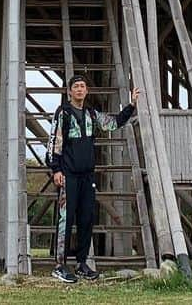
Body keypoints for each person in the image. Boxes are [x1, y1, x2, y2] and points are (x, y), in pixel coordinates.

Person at [46, 74, 141, 283]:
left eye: (83, 86)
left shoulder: (90, 114)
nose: (80, 89)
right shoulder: (63, 113)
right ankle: (59, 265)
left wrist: (131, 105)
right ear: (70, 91)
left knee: (86, 220)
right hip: (68, 175)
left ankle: (81, 264)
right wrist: (56, 170)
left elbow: (112, 123)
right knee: (66, 219)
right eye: (76, 87)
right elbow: (54, 141)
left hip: (87, 176)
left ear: (86, 91)